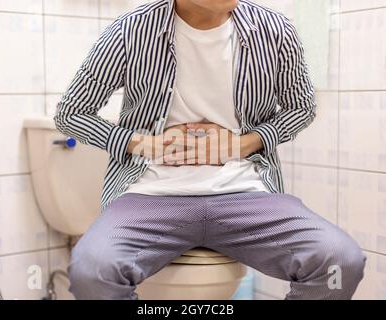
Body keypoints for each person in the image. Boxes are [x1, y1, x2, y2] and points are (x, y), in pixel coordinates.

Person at [54, 0, 366, 300]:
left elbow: (302, 108)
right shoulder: (129, 31)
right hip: (150, 195)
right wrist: (145, 144)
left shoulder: (275, 30)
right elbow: (70, 113)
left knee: (339, 261)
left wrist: (241, 144)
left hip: (245, 193)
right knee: (92, 271)